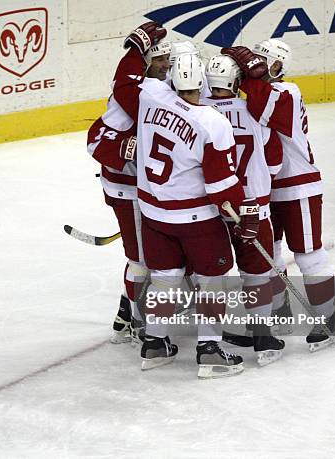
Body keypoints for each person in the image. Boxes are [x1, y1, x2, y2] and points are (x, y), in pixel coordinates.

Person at [113, 25, 259, 377]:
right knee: (212, 280)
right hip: (195, 219)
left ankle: (155, 344)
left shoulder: (150, 96)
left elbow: (123, 85)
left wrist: (136, 49)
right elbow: (222, 183)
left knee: (164, 277)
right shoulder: (212, 121)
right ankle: (209, 349)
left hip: (152, 214)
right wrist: (245, 214)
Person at [223, 40, 335, 351]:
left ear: (277, 66)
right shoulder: (261, 92)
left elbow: (261, 105)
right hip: (267, 191)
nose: (259, 68)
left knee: (308, 254)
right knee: (268, 258)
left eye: (265, 63)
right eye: (256, 62)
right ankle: (276, 312)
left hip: (298, 187)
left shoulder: (288, 91)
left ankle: (328, 319)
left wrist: (249, 74)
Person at [86, 33, 169, 344]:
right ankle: (137, 321)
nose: (165, 65)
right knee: (142, 261)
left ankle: (127, 311)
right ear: (146, 64)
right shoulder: (136, 96)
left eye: (167, 59)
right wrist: (127, 148)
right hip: (128, 190)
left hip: (147, 191)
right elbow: (96, 140)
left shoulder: (155, 90)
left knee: (155, 257)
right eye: (158, 59)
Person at [203, 54, 285, 365]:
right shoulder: (255, 113)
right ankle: (263, 337)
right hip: (255, 207)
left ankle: (206, 339)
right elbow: (274, 161)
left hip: (215, 209)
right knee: (256, 274)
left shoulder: (201, 114)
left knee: (212, 273)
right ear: (237, 82)